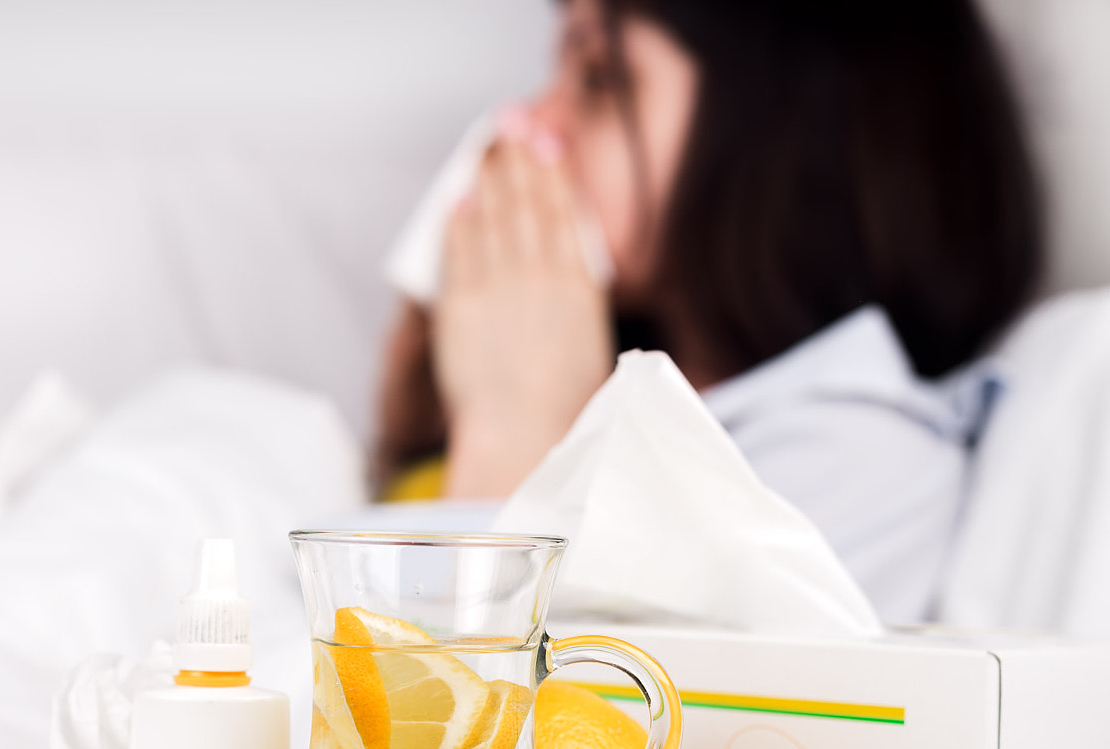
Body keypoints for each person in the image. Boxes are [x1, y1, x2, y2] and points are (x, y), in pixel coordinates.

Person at [375, 0, 1041, 622]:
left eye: (600, 78)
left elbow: (513, 722)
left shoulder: (857, 463)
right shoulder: (594, 384)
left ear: (780, 122)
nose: (530, 121)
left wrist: (508, 427)